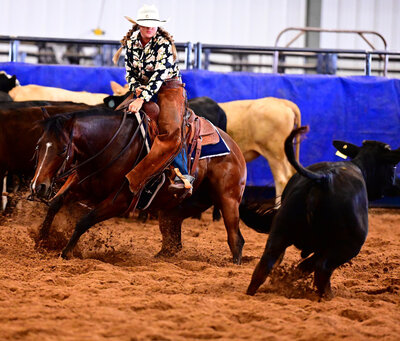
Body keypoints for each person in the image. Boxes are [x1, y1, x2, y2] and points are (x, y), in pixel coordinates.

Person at [113, 4, 194, 199]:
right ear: (139, 26)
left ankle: (183, 174)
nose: (150, 28)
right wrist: (135, 88)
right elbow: (129, 73)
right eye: (146, 24)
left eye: (153, 24)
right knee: (118, 115)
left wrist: (141, 98)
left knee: (171, 127)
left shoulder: (163, 44)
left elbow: (159, 75)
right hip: (144, 87)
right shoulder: (131, 43)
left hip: (169, 87)